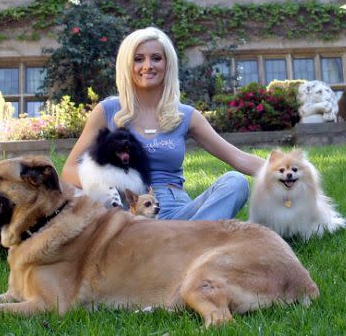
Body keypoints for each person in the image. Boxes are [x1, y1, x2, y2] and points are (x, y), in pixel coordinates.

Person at [62, 27, 265, 220]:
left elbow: (238, 157)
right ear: (127, 65)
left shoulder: (185, 115)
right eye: (138, 59)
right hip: (131, 212)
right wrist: (109, 187)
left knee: (235, 182)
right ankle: (191, 244)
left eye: (156, 58)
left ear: (167, 64)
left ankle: (182, 241)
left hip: (178, 212)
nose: (148, 66)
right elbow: (69, 170)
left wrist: (292, 171)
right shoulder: (107, 111)